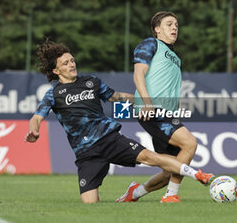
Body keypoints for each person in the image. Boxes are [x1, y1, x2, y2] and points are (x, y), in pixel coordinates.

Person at [24, 39, 214, 204]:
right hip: (86, 153)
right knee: (89, 204)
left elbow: (117, 97)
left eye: (72, 60)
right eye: (65, 63)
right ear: (56, 70)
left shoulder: (92, 81)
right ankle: (133, 192)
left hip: (110, 139)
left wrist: (145, 101)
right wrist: (34, 131)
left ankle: (197, 174)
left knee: (151, 158)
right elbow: (36, 117)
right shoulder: (53, 94)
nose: (71, 64)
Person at [116, 11, 214, 203]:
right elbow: (138, 75)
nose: (174, 28)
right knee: (190, 143)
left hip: (167, 112)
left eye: (176, 25)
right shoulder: (150, 44)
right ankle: (171, 195)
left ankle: (134, 193)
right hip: (152, 109)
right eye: (169, 24)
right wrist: (147, 103)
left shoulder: (176, 58)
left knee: (171, 170)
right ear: (157, 29)